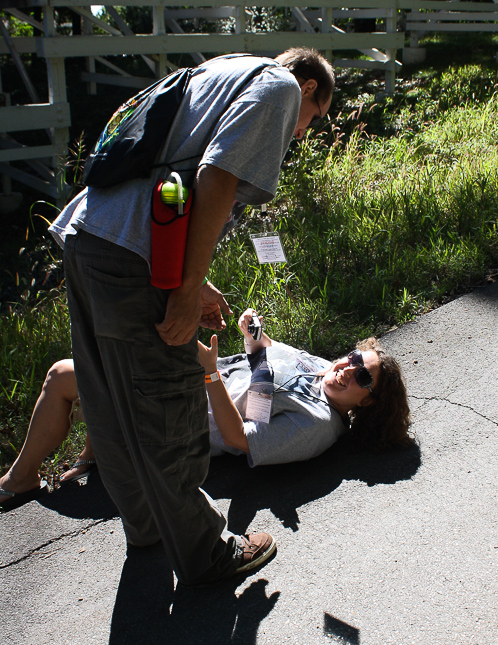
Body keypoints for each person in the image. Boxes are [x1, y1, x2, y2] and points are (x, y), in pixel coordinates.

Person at [46, 49, 335, 585]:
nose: (301, 132)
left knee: (109, 396)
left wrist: (194, 279)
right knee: (165, 403)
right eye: (312, 121)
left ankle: (149, 526)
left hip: (90, 232)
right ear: (312, 87)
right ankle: (207, 555)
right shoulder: (282, 88)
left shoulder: (222, 68)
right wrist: (181, 292)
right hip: (136, 252)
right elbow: (216, 178)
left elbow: (170, 166)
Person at [0, 309, 413, 510]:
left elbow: (239, 439)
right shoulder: (323, 368)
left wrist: (211, 375)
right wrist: (254, 332)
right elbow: (265, 356)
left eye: (363, 378)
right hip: (191, 378)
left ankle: (20, 479)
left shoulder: (318, 426)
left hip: (184, 413)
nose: (348, 370)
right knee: (104, 355)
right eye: (355, 360)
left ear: (368, 402)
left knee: (63, 377)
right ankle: (94, 456)